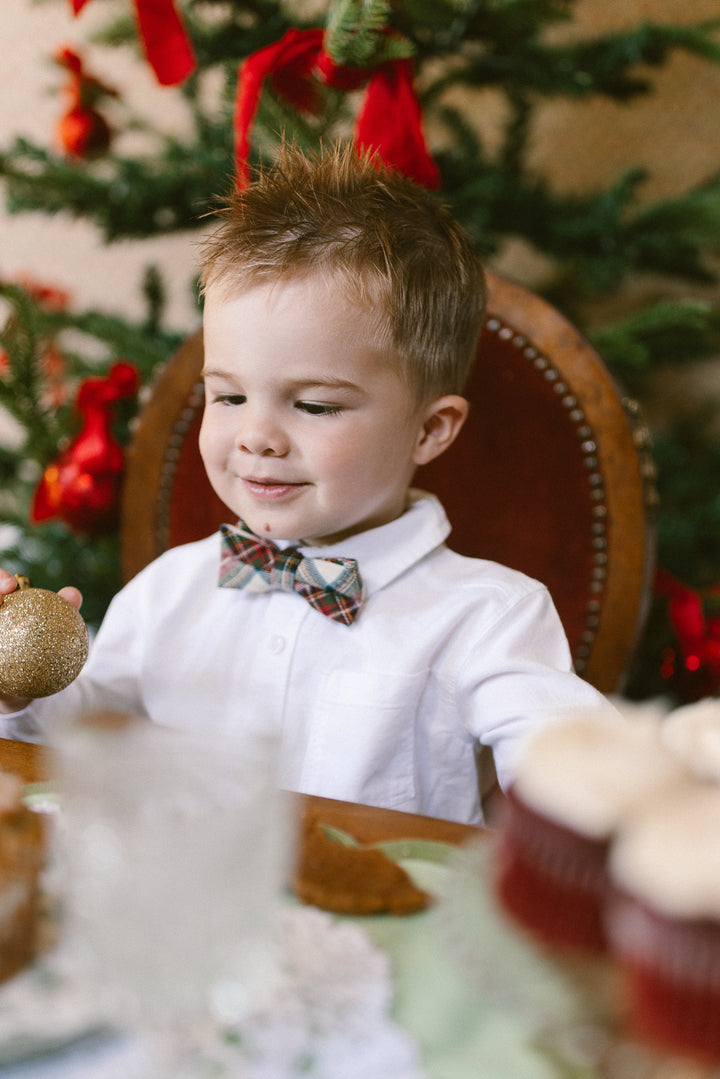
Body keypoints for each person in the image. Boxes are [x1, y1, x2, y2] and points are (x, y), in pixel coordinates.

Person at [0, 144, 616, 825]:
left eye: (315, 405)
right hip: (194, 916)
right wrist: (19, 685)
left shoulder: (487, 618)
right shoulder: (169, 591)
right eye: (228, 396)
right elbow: (77, 737)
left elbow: (584, 780)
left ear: (430, 429)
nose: (256, 435)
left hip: (384, 924)